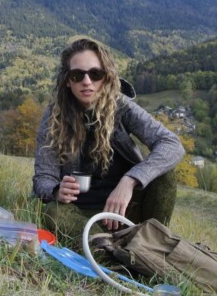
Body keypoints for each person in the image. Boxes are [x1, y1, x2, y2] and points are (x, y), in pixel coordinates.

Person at [32, 37, 185, 245]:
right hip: (81, 214)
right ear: (67, 80)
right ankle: (106, 253)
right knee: (53, 212)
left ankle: (151, 244)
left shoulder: (121, 107)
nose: (87, 82)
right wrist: (56, 190)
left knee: (164, 175)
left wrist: (130, 180)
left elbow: (171, 144)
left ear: (105, 77)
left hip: (127, 208)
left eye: (95, 74)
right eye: (77, 75)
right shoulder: (54, 116)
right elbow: (43, 177)